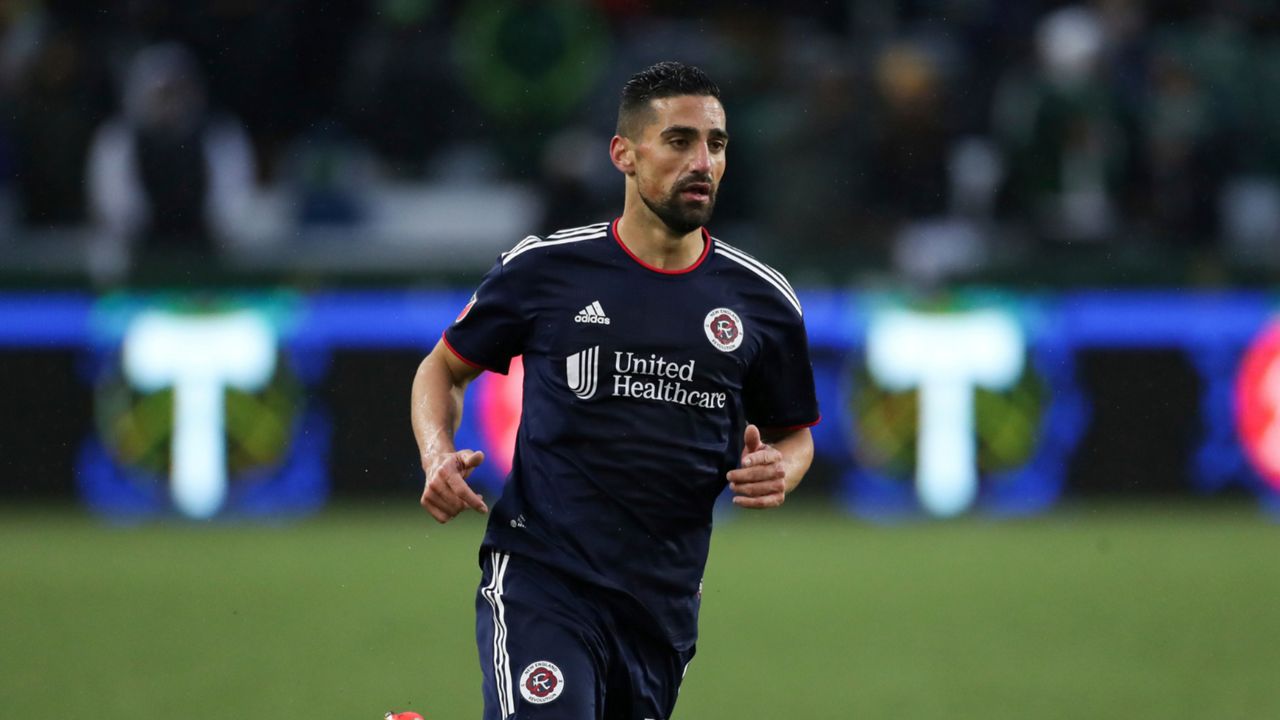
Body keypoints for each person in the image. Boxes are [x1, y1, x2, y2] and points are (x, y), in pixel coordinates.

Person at [410, 61, 819, 720]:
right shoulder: (546, 270)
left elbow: (793, 433)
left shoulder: (763, 301)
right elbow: (442, 368)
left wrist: (782, 469)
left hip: (662, 607)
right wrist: (436, 454)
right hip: (544, 578)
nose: (703, 162)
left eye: (716, 144)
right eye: (680, 140)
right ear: (623, 154)